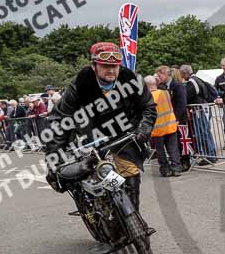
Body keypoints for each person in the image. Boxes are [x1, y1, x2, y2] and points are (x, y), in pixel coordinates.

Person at [44, 41, 156, 212]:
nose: (111, 70)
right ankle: (93, 208)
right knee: (85, 171)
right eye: (105, 65)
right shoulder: (80, 84)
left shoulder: (132, 80)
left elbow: (148, 108)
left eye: (115, 66)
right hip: (90, 133)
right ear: (93, 65)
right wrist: (54, 156)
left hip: (123, 131)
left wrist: (144, 129)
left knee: (130, 171)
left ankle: (133, 217)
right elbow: (61, 119)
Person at [180, 64, 217, 166]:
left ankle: (210, 155)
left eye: (182, 74)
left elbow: (187, 96)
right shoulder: (197, 79)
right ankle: (211, 154)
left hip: (199, 110)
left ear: (184, 73)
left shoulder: (192, 82)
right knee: (205, 131)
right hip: (202, 109)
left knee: (202, 132)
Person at [145, 75, 181, 177]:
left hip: (158, 129)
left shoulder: (148, 98)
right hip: (170, 126)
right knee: (173, 149)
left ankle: (165, 170)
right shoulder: (165, 93)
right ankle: (176, 168)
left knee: (161, 152)